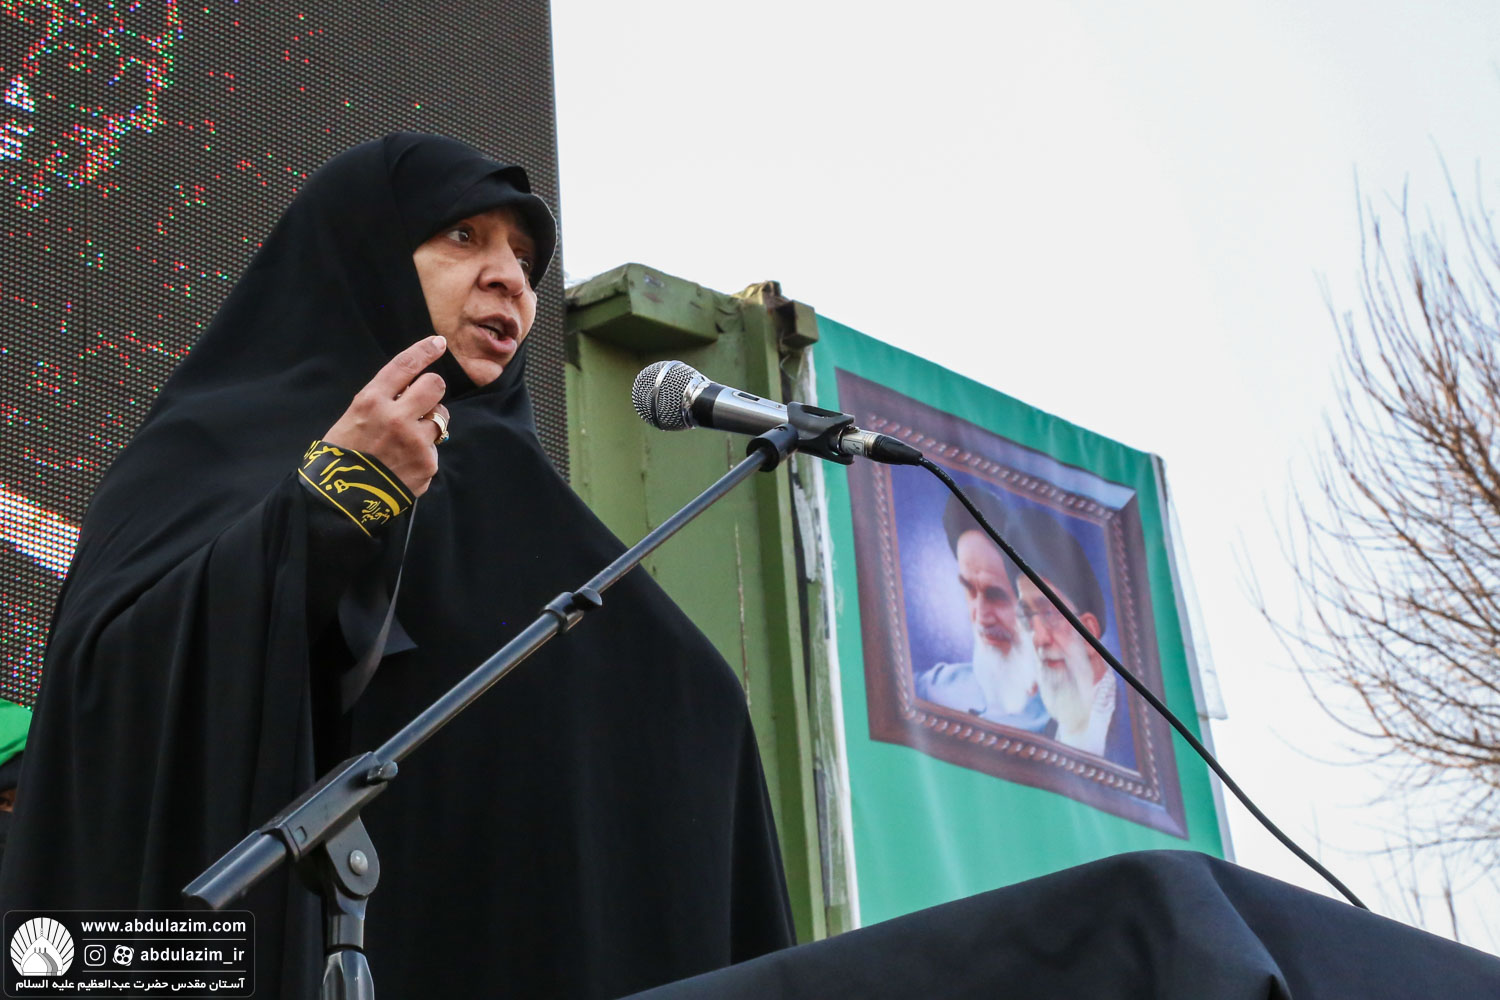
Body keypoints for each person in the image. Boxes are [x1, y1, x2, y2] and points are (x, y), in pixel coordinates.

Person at [0, 134, 794, 998]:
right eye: (464, 236)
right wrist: (329, 507)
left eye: (526, 261)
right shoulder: (211, 447)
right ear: (364, 250)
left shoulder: (531, 507)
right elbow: (108, 695)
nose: (510, 279)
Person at [1005, 505, 1135, 767]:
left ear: (1088, 631)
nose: (1039, 638)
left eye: (1049, 613)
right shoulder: (1041, 738)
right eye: (1028, 617)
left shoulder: (1136, 727)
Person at [914, 493, 1048, 732]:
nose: (981, 617)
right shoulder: (935, 687)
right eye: (970, 590)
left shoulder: (1072, 723)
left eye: (996, 596)